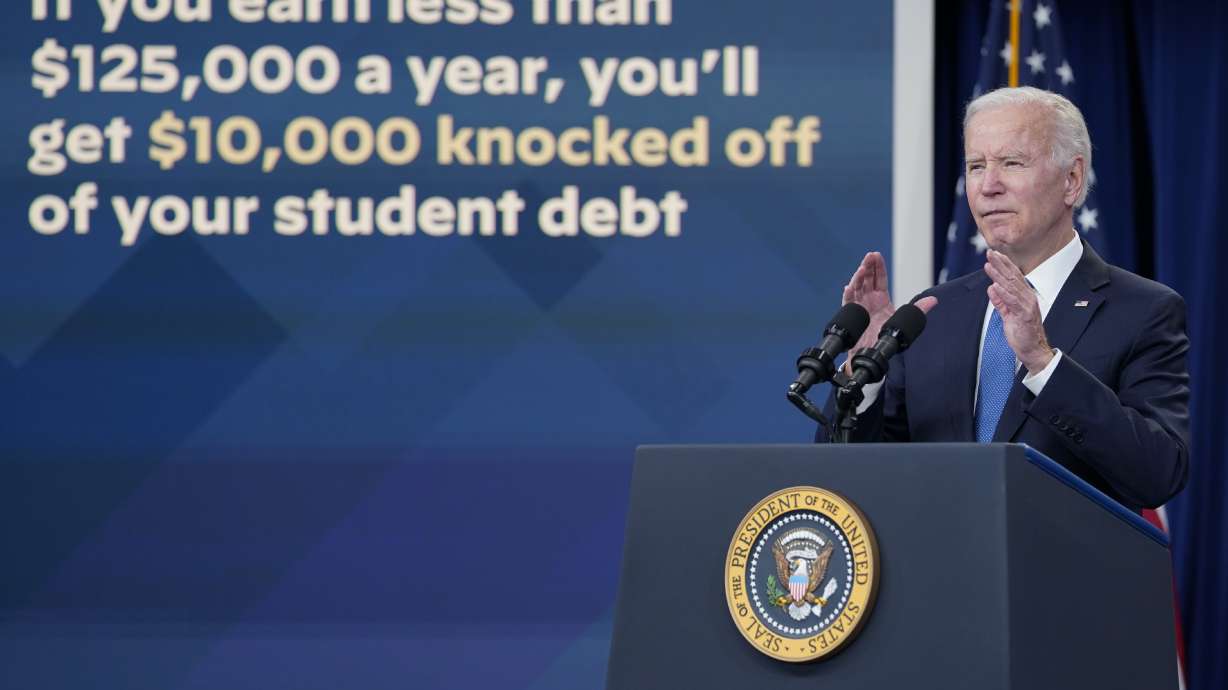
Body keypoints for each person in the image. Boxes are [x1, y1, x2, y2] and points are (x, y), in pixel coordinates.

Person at [817, 86, 1189, 512]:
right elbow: (845, 478)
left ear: (1071, 180)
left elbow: (1159, 473)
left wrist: (1043, 363)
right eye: (976, 166)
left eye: (1012, 163)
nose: (988, 186)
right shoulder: (931, 314)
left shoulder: (1143, 311)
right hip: (939, 572)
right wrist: (865, 374)